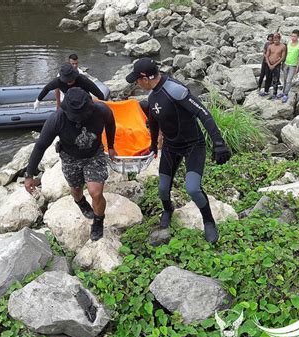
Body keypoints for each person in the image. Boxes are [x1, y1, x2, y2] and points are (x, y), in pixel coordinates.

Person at [126, 58, 231, 243]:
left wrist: (218, 142)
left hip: (193, 145)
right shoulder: (152, 96)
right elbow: (155, 121)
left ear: (146, 78)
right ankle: (168, 210)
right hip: (171, 147)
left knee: (192, 188)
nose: (137, 84)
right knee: (162, 189)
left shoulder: (175, 90)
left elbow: (203, 113)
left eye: (137, 80)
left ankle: (209, 222)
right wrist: (152, 145)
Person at [25, 87, 117, 241]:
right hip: (70, 157)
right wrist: (29, 174)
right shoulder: (56, 119)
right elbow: (40, 146)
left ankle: (98, 220)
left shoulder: (101, 110)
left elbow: (110, 124)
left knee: (96, 192)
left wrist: (112, 146)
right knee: (76, 189)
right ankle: (80, 202)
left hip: (94, 154)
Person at [33, 62, 104, 110]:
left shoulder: (83, 80)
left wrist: (102, 107)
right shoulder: (58, 81)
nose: (68, 83)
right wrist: (38, 100)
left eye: (70, 80)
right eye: (67, 81)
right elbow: (47, 88)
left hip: (85, 102)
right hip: (70, 103)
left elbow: (99, 94)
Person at [260, 33, 286, 99]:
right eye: (274, 40)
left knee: (276, 79)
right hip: (269, 64)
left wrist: (274, 65)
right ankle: (266, 91)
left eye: (276, 40)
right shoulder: (270, 46)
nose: (275, 41)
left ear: (279, 39)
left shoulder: (282, 46)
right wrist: (269, 64)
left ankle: (274, 93)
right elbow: (267, 56)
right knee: (268, 78)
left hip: (276, 65)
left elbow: (282, 57)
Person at [280, 29, 299, 103]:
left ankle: (286, 94)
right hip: (286, 63)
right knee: (284, 79)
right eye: (292, 36)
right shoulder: (289, 43)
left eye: (294, 36)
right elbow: (286, 53)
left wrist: (298, 67)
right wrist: (282, 62)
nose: (293, 38)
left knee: (289, 80)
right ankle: (283, 92)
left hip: (293, 65)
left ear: (297, 37)